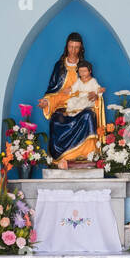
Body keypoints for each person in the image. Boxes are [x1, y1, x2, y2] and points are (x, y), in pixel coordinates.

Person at [38, 32, 105, 166]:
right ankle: (63, 158)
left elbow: (93, 87)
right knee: (57, 120)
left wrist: (95, 95)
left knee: (89, 115)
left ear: (81, 49)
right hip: (63, 106)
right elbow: (52, 91)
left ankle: (87, 156)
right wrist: (47, 102)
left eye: (76, 47)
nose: (73, 50)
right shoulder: (59, 67)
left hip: (82, 105)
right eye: (71, 47)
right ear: (66, 47)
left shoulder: (85, 66)